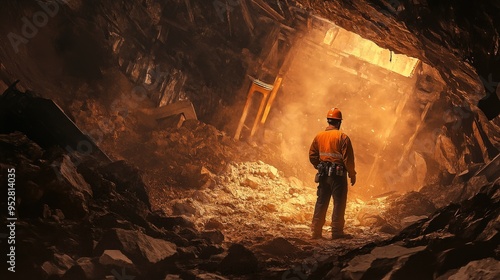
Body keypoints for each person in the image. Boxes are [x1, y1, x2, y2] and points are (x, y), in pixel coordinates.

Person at [309, 107, 356, 239]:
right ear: (339, 122)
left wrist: (318, 166)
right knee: (339, 203)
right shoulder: (343, 137)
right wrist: (352, 174)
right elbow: (348, 159)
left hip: (323, 175)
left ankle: (316, 231)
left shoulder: (319, 136)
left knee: (321, 201)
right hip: (338, 176)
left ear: (328, 121)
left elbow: (312, 155)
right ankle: (336, 232)